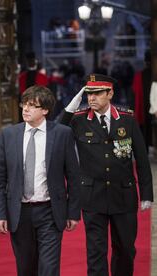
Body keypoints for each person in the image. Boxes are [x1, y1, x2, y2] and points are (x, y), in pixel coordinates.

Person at [62, 73, 153, 276]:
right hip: (93, 196)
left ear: (110, 93)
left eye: (97, 94)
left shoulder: (127, 119)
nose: (91, 98)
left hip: (124, 195)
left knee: (126, 250)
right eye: (88, 94)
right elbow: (57, 131)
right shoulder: (79, 120)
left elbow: (141, 157)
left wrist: (146, 193)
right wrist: (70, 107)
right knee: (96, 251)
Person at [0, 85, 80, 276]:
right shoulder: (8, 135)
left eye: (32, 105)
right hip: (19, 212)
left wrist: (73, 212)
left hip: (50, 211)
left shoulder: (62, 134)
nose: (25, 109)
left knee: (49, 268)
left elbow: (73, 177)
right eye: (24, 104)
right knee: (25, 268)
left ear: (45, 110)